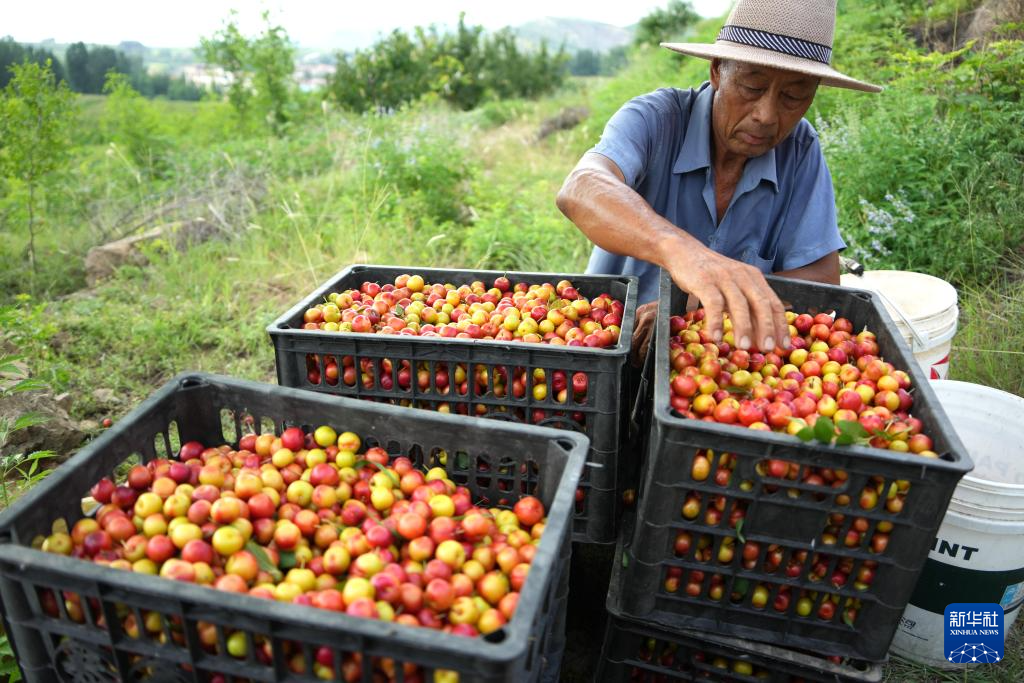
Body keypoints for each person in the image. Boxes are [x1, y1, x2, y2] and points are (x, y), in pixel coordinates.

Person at [556, 0, 880, 362]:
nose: (766, 115)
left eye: (794, 96)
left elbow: (821, 277)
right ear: (716, 71)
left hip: (724, 369)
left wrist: (690, 315)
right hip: (608, 349)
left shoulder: (799, 149)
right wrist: (683, 253)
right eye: (752, 87)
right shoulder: (655, 120)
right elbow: (580, 188)